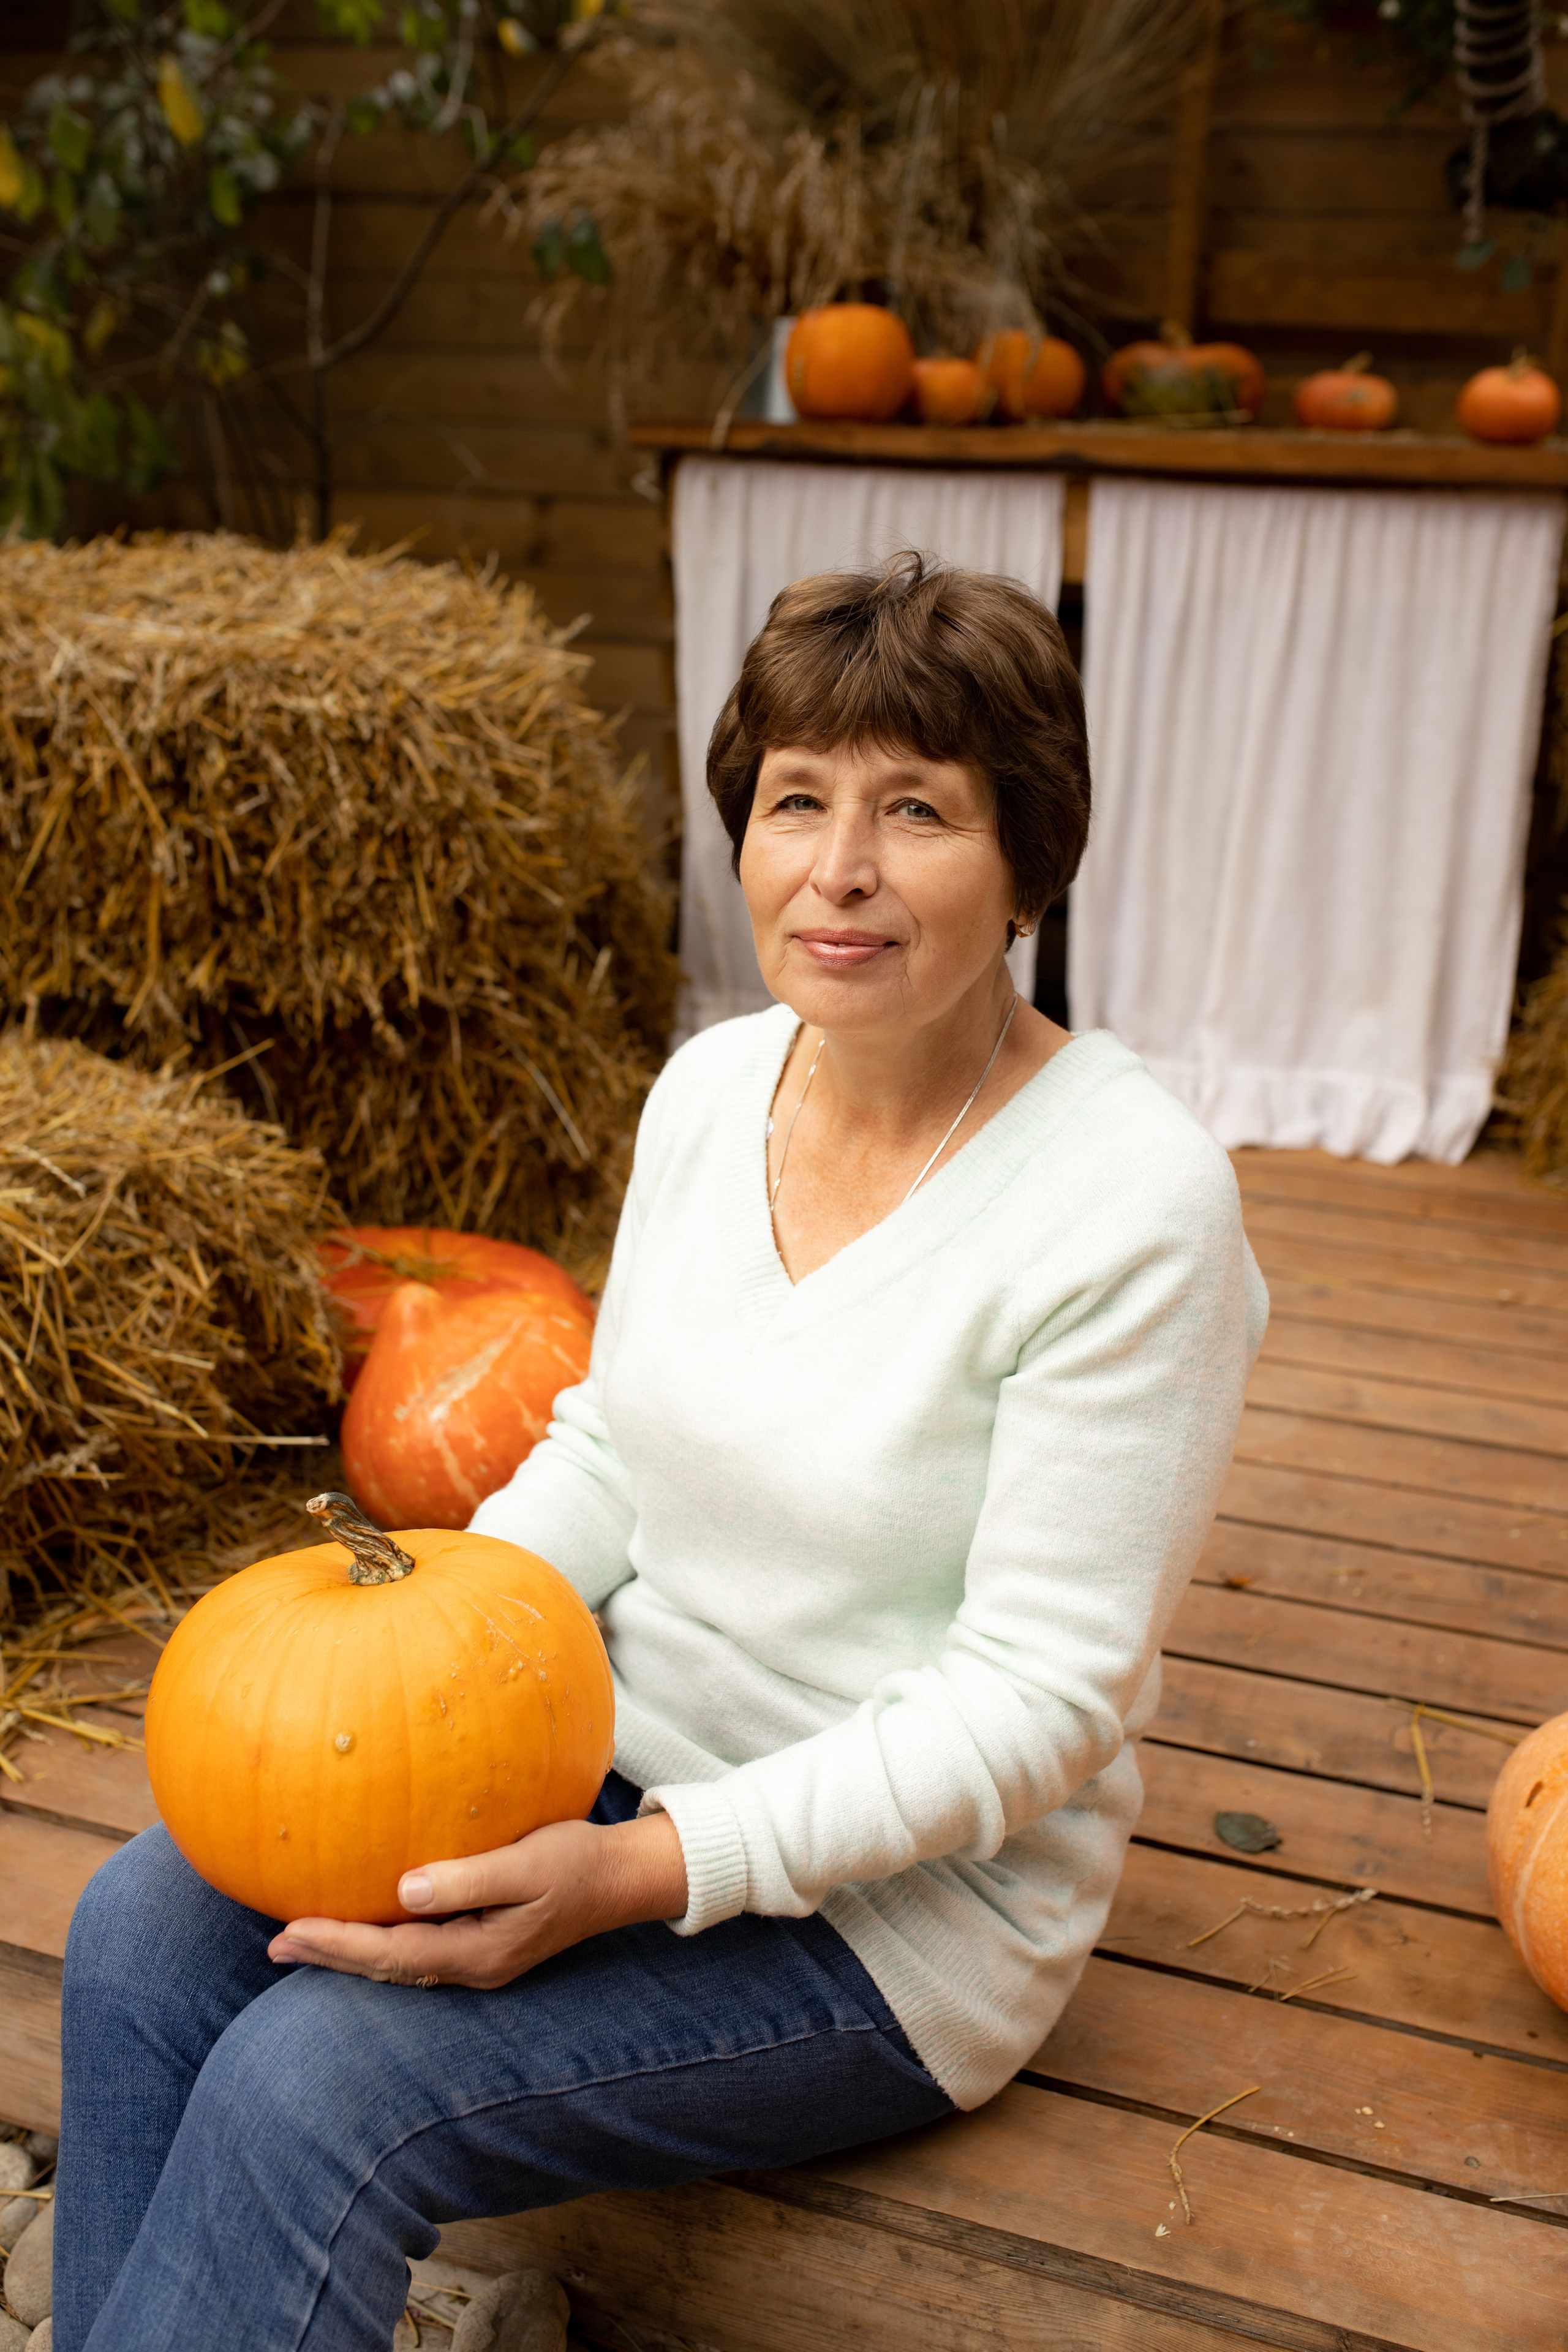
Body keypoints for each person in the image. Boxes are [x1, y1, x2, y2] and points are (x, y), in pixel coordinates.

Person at [54, 551, 1267, 2351]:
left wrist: (638, 1870)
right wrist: (432, 1661)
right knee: (144, 1929)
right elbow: (615, 1445)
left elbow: (1038, 1703)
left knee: (314, 2085)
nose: (839, 870)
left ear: (1028, 866)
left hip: (891, 1923)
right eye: (797, 803)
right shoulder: (712, 1088)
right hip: (588, 1759)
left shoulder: (1131, 1208)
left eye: (916, 810)